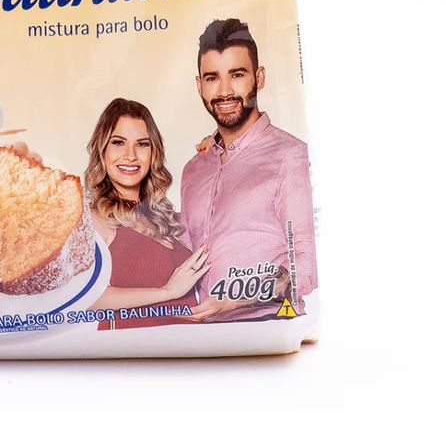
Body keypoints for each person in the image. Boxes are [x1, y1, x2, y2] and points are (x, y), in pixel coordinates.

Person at [180, 18, 318, 322]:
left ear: (259, 77)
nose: (224, 91)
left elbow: (309, 261)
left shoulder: (291, 156)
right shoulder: (194, 169)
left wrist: (236, 300)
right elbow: (182, 255)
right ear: (199, 85)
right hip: (203, 335)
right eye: (212, 77)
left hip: (270, 326)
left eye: (237, 74)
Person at [85, 98, 208, 329]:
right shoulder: (93, 220)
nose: (130, 155)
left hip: (190, 346)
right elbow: (87, 299)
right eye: (118, 142)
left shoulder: (168, 221)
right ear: (102, 150)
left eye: (142, 144)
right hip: (133, 349)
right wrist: (167, 292)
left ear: (154, 152)